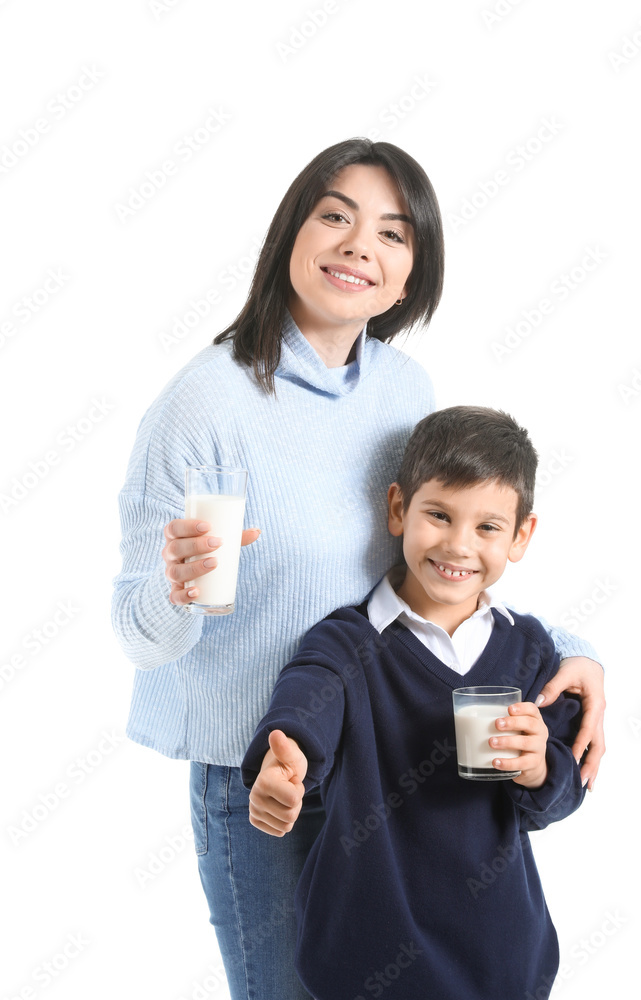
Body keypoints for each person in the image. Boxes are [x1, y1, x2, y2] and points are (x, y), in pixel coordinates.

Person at [111, 139, 606, 1000]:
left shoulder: (402, 392)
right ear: (290, 234)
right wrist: (174, 587)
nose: (358, 247)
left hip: (389, 762)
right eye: (335, 216)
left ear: (410, 276)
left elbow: (441, 563)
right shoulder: (204, 406)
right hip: (262, 774)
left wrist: (571, 648)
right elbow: (139, 635)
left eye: (392, 233)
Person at [243, 406, 587, 1000]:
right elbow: (305, 702)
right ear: (399, 508)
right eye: (438, 514)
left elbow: (557, 795)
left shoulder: (530, 651)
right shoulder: (347, 642)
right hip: (366, 964)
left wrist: (539, 767)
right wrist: (288, 757)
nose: (458, 544)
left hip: (502, 961)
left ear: (521, 536)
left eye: (487, 527)